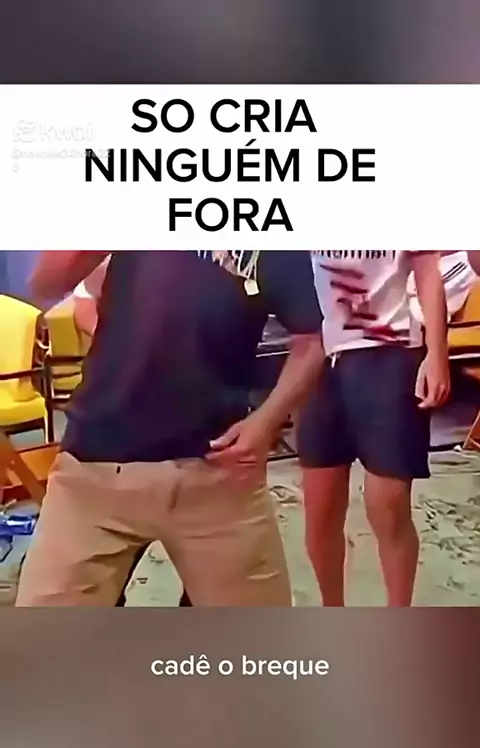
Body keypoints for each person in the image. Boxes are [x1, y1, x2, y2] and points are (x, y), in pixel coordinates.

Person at [16, 250, 324, 607]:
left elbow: (313, 338)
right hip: (93, 471)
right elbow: (45, 286)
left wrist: (266, 421)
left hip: (217, 475)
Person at [297, 250, 450, 607]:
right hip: (323, 356)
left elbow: (427, 271)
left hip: (391, 352)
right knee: (319, 510)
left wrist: (437, 354)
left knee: (388, 506)